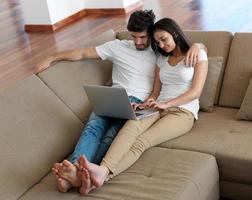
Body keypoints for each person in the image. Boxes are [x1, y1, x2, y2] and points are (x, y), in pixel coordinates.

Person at [36, 10, 204, 194]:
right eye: (134, 37)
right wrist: (51, 56)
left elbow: (192, 75)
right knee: (94, 128)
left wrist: (198, 45)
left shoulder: (161, 51)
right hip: (129, 100)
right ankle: (76, 171)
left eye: (143, 37)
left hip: (159, 106)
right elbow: (84, 53)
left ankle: (87, 176)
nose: (139, 42)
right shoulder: (132, 50)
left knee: (120, 138)